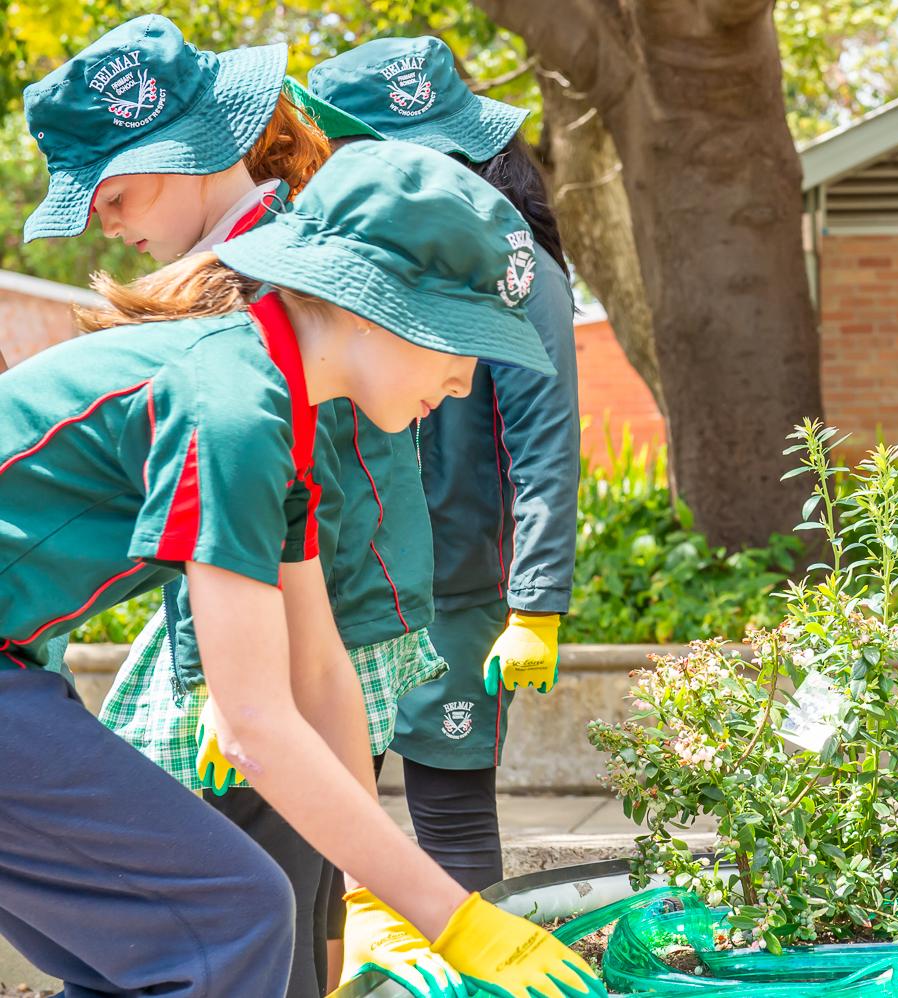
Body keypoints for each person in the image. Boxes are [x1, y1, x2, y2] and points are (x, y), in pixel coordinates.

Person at [0, 127, 601, 995]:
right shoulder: (233, 408)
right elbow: (254, 724)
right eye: (460, 341)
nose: (468, 382)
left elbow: (319, 673)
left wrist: (371, 895)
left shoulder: (280, 410)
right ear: (367, 307)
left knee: (150, 953)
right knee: (228, 918)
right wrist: (454, 917)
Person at [24, 17, 449, 995]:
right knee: (246, 930)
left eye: (116, 190)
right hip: (269, 633)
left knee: (248, 927)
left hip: (290, 629)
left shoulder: (265, 285)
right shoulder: (262, 273)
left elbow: (286, 500)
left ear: (192, 157)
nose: (104, 221)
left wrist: (233, 676)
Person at [309, 37, 580, 893]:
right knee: (314, 822)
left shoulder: (518, 277)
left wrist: (537, 602)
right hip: (339, 585)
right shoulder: (320, 266)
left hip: (458, 593)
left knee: (452, 819)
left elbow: (545, 444)